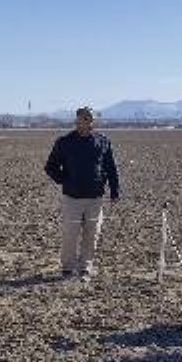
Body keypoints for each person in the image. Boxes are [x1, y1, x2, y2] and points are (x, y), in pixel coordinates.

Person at [44, 107, 120, 279]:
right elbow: (50, 167)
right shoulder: (65, 142)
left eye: (90, 119)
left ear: (93, 121)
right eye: (83, 119)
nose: (86, 122)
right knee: (71, 233)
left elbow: (111, 168)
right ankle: (67, 267)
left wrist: (115, 190)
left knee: (92, 233)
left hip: (95, 198)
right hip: (72, 198)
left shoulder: (102, 142)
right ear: (77, 121)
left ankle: (86, 265)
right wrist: (65, 180)